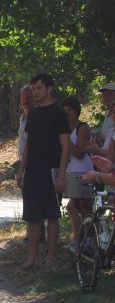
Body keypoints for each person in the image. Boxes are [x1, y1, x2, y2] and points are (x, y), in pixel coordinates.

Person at [17, 73, 71, 269]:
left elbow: (65, 146)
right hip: (33, 170)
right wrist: (21, 170)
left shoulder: (58, 114)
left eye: (39, 88)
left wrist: (62, 175)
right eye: (33, 89)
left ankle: (50, 258)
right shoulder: (34, 114)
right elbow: (29, 145)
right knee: (32, 216)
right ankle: (31, 258)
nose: (35, 92)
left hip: (51, 169)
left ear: (49, 89)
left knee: (52, 215)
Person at [60, 96, 93, 251]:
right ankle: (79, 239)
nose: (67, 113)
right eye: (64, 110)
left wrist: (66, 139)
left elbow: (79, 153)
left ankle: (88, 241)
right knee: (73, 207)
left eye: (70, 110)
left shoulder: (82, 128)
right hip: (70, 171)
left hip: (83, 170)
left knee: (84, 207)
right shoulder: (64, 128)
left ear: (77, 111)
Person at [16, 85, 33, 164]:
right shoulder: (22, 118)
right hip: (24, 164)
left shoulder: (37, 119)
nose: (25, 101)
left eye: (28, 98)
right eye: (23, 98)